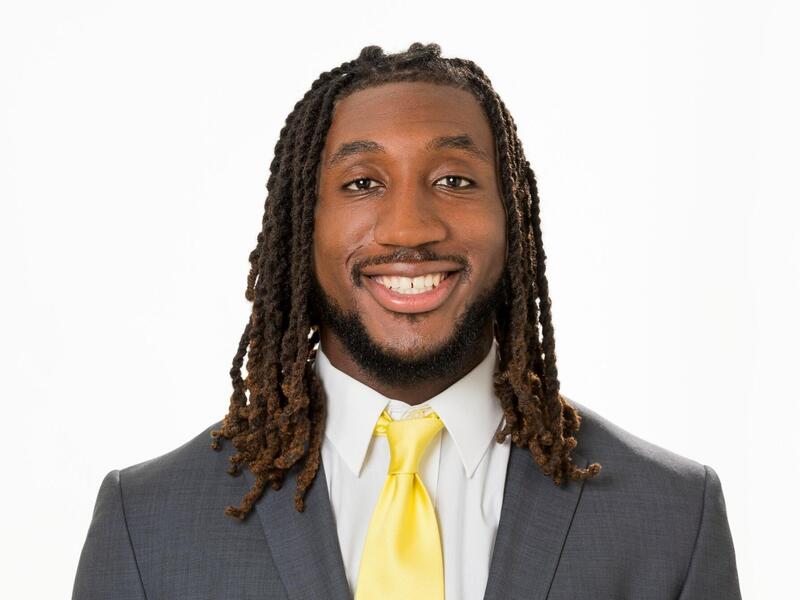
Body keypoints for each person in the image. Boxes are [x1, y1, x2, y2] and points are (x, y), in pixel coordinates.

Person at [72, 42, 741, 600]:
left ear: (514, 220)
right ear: (301, 225)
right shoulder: (147, 523)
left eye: (454, 179)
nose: (409, 228)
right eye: (362, 183)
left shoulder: (671, 520)